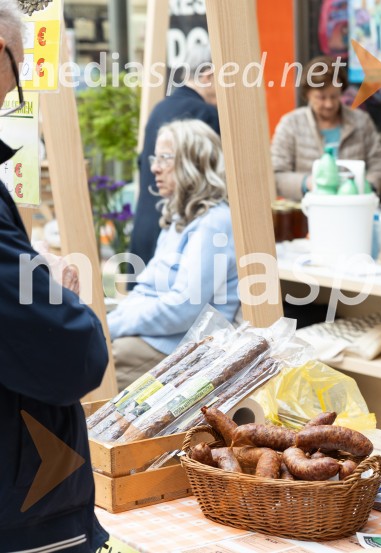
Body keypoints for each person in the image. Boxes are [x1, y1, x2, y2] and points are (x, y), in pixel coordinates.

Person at [0, 0, 110, 549]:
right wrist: (66, 302)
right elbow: (73, 358)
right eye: (17, 73)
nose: (9, 96)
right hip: (21, 501)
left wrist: (29, 276)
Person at [108, 120, 240, 391]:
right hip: (163, 339)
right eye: (155, 158)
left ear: (195, 163)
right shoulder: (181, 216)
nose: (154, 167)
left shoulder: (213, 222)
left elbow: (182, 308)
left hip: (186, 348)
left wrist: (111, 325)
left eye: (165, 158)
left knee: (93, 360)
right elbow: (151, 292)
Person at [130, 43, 220, 268]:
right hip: (181, 235)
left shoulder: (161, 107)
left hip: (145, 227)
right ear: (208, 76)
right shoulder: (206, 114)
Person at [270, 55, 381, 200]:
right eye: (321, 97)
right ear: (307, 95)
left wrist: (367, 187)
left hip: (354, 208)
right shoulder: (291, 125)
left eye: (334, 96)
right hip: (306, 212)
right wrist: (308, 183)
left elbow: (378, 165)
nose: (329, 104)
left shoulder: (361, 122)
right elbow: (277, 174)